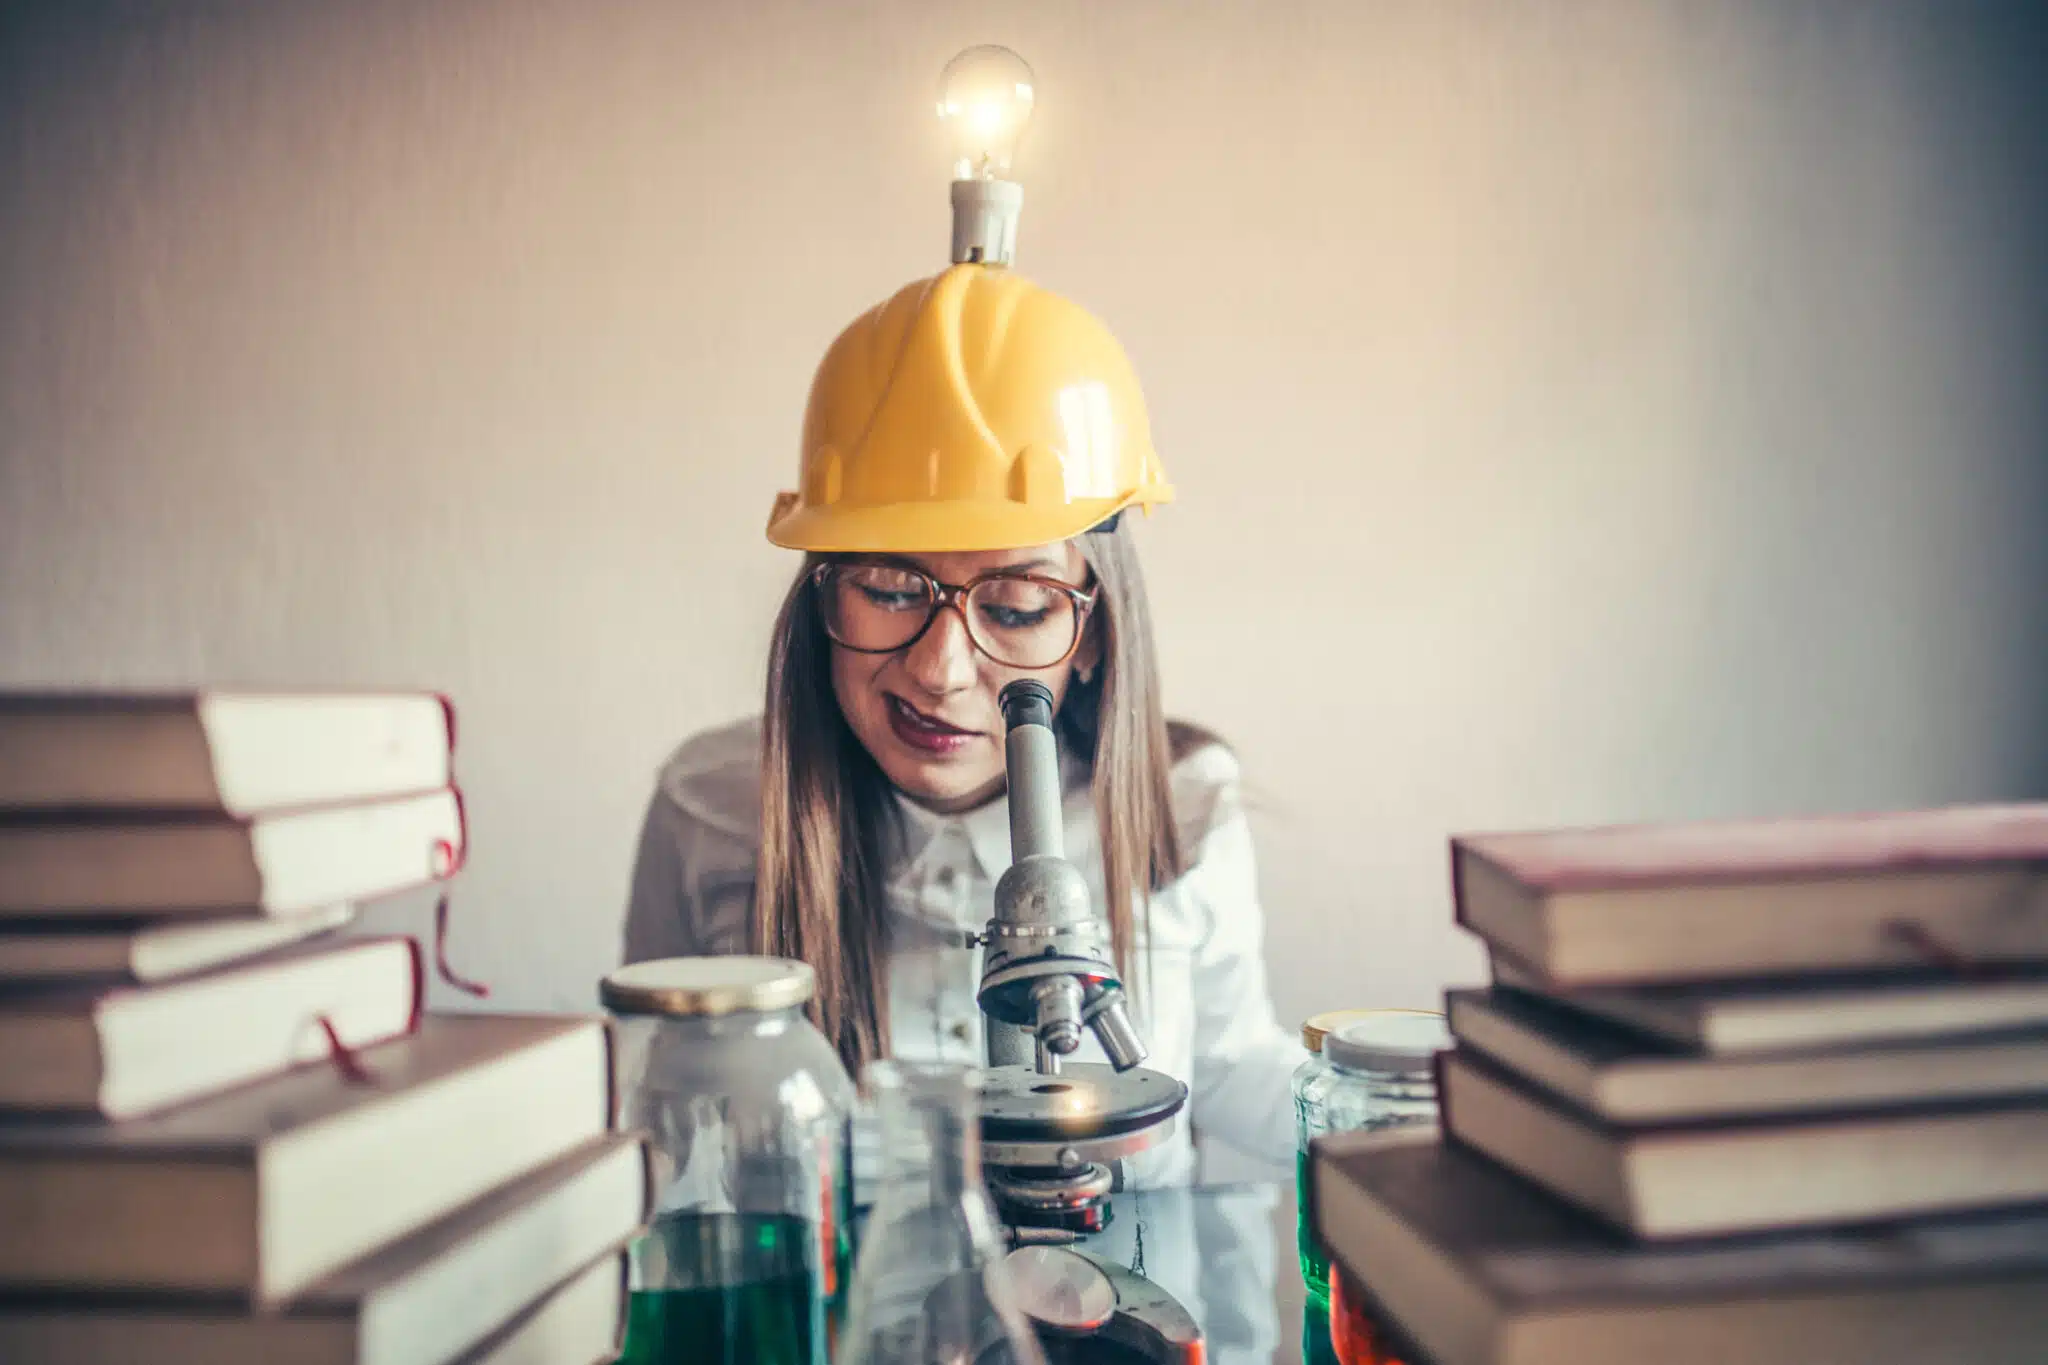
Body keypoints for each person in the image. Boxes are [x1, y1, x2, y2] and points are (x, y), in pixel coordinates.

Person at [622, 261, 1304, 1186]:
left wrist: (1415, 1109)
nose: (941, 669)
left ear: (1095, 630)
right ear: (821, 592)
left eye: (1018, 606)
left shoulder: (1187, 807)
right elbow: (658, 1132)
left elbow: (1229, 1072)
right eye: (891, 591)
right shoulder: (705, 814)